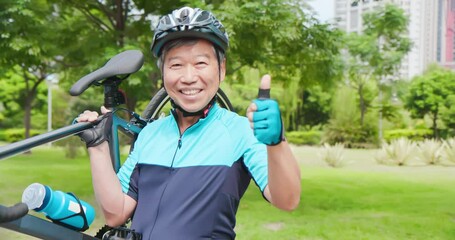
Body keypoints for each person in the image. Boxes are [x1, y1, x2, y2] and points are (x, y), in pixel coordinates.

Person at [76, 6, 300, 239]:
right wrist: (98, 147)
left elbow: (287, 200)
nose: (189, 77)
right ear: (163, 72)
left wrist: (276, 143)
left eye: (201, 63)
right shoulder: (150, 134)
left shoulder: (240, 131)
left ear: (221, 70)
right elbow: (117, 213)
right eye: (176, 65)